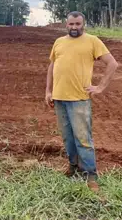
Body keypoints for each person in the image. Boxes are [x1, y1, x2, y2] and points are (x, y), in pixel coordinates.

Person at [45, 11, 118, 193]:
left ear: (83, 24)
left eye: (78, 24)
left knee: (83, 139)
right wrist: (48, 90)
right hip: (59, 97)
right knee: (67, 137)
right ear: (66, 24)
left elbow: (112, 63)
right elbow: (52, 66)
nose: (74, 27)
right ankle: (73, 167)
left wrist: (100, 87)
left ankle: (91, 175)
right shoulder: (59, 42)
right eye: (71, 24)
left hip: (79, 99)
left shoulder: (93, 41)